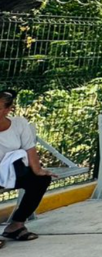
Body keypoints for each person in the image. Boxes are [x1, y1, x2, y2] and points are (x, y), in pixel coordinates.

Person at [0, 90, 52, 244]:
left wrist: (38, 171)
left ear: (9, 109)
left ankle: (16, 225)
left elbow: (30, 148)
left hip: (13, 172)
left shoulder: (19, 123)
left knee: (40, 180)